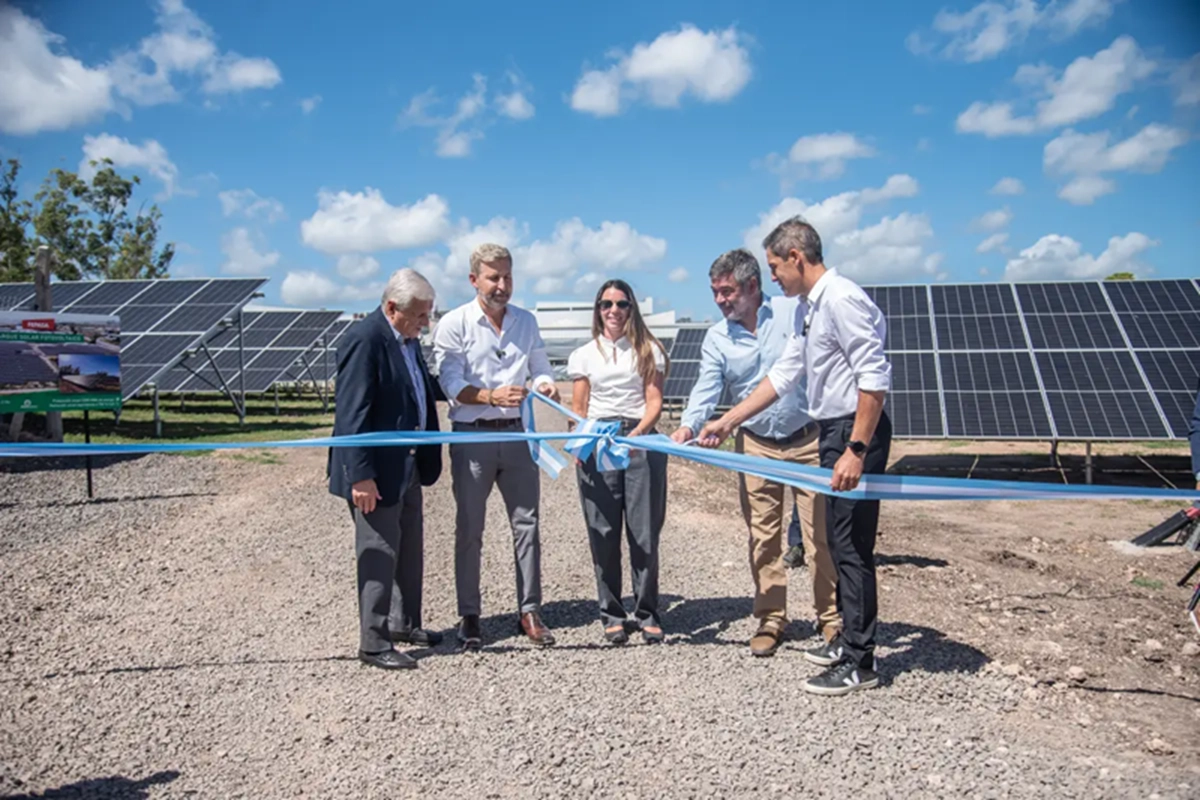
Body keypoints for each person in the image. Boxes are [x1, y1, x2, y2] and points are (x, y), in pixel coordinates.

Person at [699, 217, 892, 696]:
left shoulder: (841, 299)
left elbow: (874, 378)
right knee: (840, 545)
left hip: (851, 433)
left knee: (847, 548)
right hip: (833, 432)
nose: (773, 277)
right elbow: (785, 374)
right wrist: (728, 421)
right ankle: (846, 642)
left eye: (774, 267)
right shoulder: (812, 306)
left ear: (796, 258)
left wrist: (856, 449)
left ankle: (859, 660)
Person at [670, 248, 836, 659]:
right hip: (756, 445)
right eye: (715, 292)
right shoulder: (717, 338)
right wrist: (689, 425)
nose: (720, 300)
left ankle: (831, 618)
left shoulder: (793, 313)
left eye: (727, 291)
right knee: (764, 537)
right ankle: (771, 618)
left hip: (807, 440)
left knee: (819, 537)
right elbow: (706, 387)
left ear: (752, 286)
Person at [432, 243, 561, 651]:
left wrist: (545, 385)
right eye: (493, 278)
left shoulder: (526, 321)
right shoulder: (454, 323)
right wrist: (490, 396)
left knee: (527, 525)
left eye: (507, 276)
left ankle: (530, 610)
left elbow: (540, 366)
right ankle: (470, 615)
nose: (502, 285)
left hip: (519, 435)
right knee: (470, 528)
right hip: (473, 437)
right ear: (474, 280)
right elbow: (450, 382)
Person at [328, 268, 443, 670]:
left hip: (409, 464)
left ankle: (403, 623)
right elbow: (351, 412)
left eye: (428, 314)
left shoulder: (407, 340)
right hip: (375, 473)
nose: (425, 323)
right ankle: (374, 643)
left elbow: (419, 389)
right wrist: (360, 474)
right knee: (378, 552)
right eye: (420, 315)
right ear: (393, 308)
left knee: (409, 547)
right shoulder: (365, 340)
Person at [569, 279, 670, 645]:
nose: (614, 311)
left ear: (632, 309)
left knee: (644, 532)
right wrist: (580, 445)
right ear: (598, 310)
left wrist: (637, 434)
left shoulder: (649, 349)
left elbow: (654, 402)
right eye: (606, 304)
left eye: (622, 304)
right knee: (603, 531)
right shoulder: (584, 355)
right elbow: (579, 408)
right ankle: (611, 613)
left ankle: (647, 612)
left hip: (639, 439)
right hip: (598, 442)